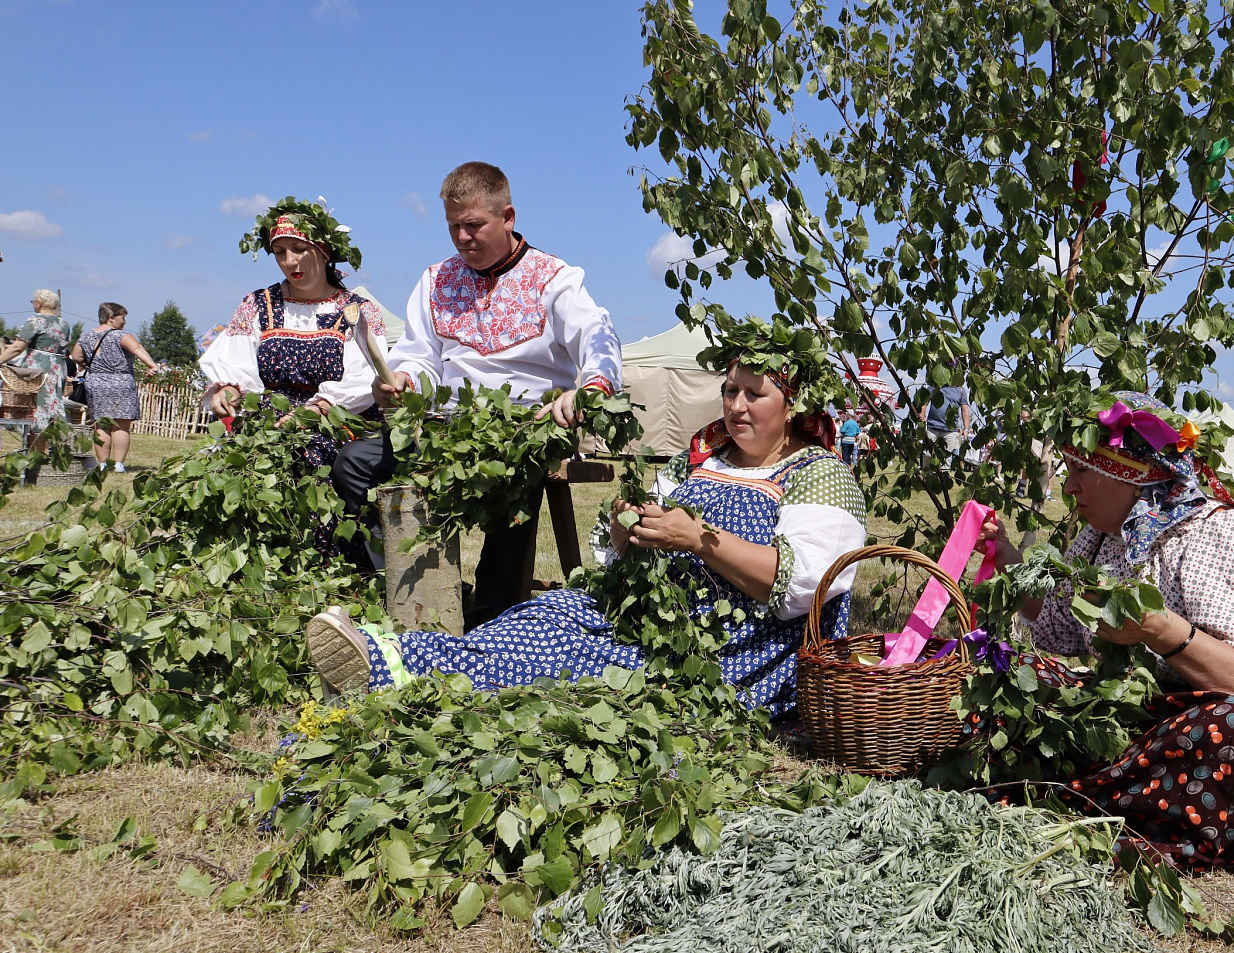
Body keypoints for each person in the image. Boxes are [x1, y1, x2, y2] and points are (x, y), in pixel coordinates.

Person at [307, 346, 867, 717]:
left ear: (792, 407)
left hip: (720, 650)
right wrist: (631, 528)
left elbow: (803, 589)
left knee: (574, 667)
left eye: (755, 394)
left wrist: (698, 539)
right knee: (537, 619)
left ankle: (393, 668)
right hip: (643, 610)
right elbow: (627, 548)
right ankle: (406, 659)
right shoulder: (704, 456)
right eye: (729, 391)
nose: (736, 406)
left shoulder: (818, 474)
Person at [982, 390, 1234, 877]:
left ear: (1132, 473)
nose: (1069, 488)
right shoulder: (1102, 539)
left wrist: (1162, 631)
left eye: (1082, 471)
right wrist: (1006, 554)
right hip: (1143, 715)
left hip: (1232, 736)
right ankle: (1103, 795)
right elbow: (1060, 628)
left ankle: (1094, 800)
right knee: (1011, 672)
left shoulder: (1229, 536)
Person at [331, 161, 621, 628]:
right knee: (354, 465)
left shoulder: (554, 278)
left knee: (515, 470)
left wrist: (590, 389)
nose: (462, 237)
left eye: (473, 225)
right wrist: (403, 380)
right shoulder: (435, 281)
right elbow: (420, 354)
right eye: (453, 227)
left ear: (507, 217)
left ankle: (491, 613)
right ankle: (402, 589)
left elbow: (598, 337)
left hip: (527, 425)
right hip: (445, 424)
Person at [199, 197, 385, 566]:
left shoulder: (354, 309)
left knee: (309, 460)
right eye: (280, 251)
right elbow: (236, 361)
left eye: (300, 249)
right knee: (234, 469)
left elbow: (365, 377)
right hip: (268, 420)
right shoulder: (257, 304)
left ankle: (327, 569)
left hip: (334, 422)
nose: (290, 261)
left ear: (325, 250)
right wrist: (228, 388)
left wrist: (314, 412)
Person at [72, 303, 158, 471]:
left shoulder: (86, 335)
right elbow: (137, 348)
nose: (124, 322)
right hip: (120, 381)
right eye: (122, 317)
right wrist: (152, 366)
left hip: (96, 382)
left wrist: (94, 367)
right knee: (120, 424)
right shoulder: (121, 335)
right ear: (111, 318)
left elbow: (76, 356)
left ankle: (103, 464)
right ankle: (118, 464)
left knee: (101, 424)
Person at [2, 290, 71, 438]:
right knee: (54, 402)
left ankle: (36, 440)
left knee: (35, 404)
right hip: (58, 368)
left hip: (39, 368)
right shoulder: (64, 324)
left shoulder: (35, 321)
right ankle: (55, 439)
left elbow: (17, 347)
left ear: (39, 303)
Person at [919, 381, 971, 466]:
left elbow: (965, 410)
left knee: (946, 458)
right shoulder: (934, 386)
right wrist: (922, 417)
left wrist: (966, 429)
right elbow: (924, 403)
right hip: (932, 428)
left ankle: (943, 477)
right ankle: (927, 477)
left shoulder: (960, 390)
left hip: (950, 431)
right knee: (928, 454)